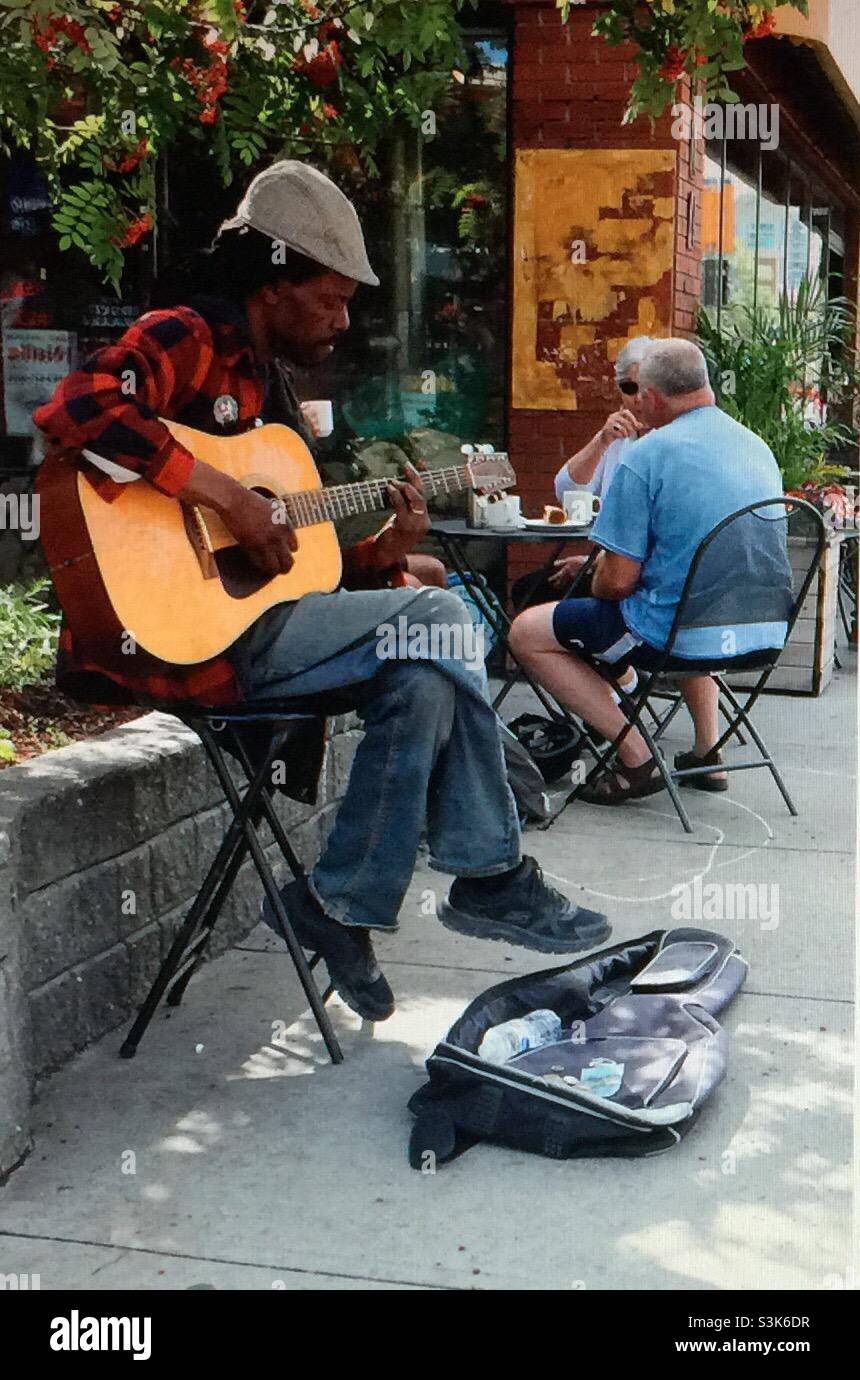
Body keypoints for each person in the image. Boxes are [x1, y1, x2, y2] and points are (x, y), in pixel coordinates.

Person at [34, 161, 610, 1023]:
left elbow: (310, 576)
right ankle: (492, 873)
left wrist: (390, 548)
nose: (344, 320)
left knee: (422, 671)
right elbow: (77, 408)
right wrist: (225, 494)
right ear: (273, 285)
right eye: (331, 299)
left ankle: (335, 905)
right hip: (181, 639)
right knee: (446, 616)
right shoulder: (186, 335)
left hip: (255, 630)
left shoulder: (272, 391)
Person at [509, 339, 789, 803]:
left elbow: (616, 584)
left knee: (527, 631)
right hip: (762, 633)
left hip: (676, 637)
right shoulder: (756, 447)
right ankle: (706, 750)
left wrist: (597, 571)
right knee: (670, 601)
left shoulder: (648, 454)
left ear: (652, 398)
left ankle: (636, 758)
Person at [511, 337, 652, 610]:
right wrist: (601, 441)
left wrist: (595, 565)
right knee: (530, 588)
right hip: (610, 563)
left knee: (537, 597)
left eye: (645, 388)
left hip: (637, 579)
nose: (637, 398)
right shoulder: (619, 439)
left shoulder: (667, 442)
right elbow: (568, 492)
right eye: (629, 387)